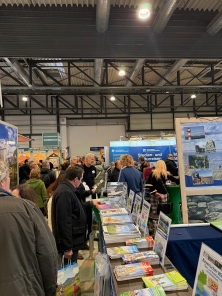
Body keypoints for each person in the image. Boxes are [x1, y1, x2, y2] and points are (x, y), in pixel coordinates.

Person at [0, 160, 57, 295]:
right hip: (23, 289)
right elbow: (47, 254)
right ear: (2, 182)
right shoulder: (27, 208)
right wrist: (50, 290)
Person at [51, 165, 101, 264]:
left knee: (71, 272)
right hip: (69, 244)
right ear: (75, 179)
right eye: (81, 179)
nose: (81, 182)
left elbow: (75, 208)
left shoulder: (68, 190)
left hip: (73, 241)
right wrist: (67, 247)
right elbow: (63, 222)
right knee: (67, 273)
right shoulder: (65, 193)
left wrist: (91, 203)